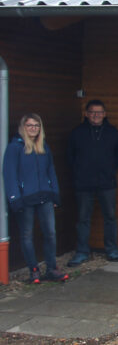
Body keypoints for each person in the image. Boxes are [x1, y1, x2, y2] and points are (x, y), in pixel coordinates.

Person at [3, 114, 68, 283]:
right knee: (27, 235)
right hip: (25, 199)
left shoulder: (43, 147)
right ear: (23, 127)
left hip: (45, 196)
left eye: (36, 125)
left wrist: (54, 194)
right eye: (30, 125)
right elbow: (9, 175)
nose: (33, 128)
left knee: (50, 233)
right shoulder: (14, 147)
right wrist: (15, 199)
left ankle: (52, 269)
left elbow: (51, 172)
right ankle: (34, 271)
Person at [66, 100, 118, 267]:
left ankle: (112, 250)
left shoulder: (113, 132)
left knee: (110, 217)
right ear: (86, 114)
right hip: (83, 184)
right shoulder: (77, 132)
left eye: (99, 112)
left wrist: (110, 170)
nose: (96, 115)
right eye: (92, 112)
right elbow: (70, 156)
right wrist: (79, 172)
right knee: (83, 218)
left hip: (107, 183)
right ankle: (82, 252)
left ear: (104, 114)